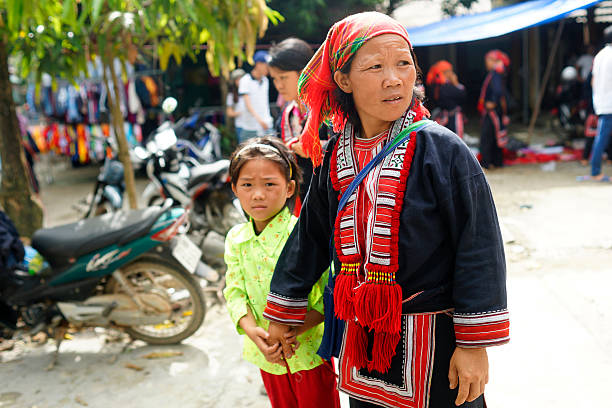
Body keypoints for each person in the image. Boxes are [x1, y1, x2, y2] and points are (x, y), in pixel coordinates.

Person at [262, 12, 509, 408]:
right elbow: (309, 235)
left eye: (404, 63)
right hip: (361, 341)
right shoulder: (335, 157)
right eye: (375, 66)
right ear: (343, 80)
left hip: (435, 341)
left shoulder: (442, 150)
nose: (393, 79)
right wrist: (283, 312)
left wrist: (474, 344)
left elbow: (478, 246)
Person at [223, 136, 340, 408]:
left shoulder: (304, 235)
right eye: (247, 185)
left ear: (290, 189)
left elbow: (329, 296)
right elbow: (234, 292)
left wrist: (296, 327)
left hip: (309, 353)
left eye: (269, 184)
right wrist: (254, 333)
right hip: (267, 355)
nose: (258, 194)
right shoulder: (236, 239)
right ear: (235, 188)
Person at [268, 38, 320, 212]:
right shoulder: (286, 115)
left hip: (325, 200)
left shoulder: (328, 114)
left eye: (283, 77)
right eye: (275, 79)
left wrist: (317, 148)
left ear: (305, 73)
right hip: (298, 201)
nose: (279, 85)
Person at [583, 26, 612, 182]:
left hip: (601, 102)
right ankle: (595, 171)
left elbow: (593, 80)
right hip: (609, 103)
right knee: (601, 138)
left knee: (601, 137)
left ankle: (595, 169)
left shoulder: (600, 55)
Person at [478, 49, 510, 169]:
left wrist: (493, 102)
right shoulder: (497, 72)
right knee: (495, 135)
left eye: (488, 60)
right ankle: (497, 162)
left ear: (495, 61)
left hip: (492, 111)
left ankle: (487, 162)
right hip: (496, 111)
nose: (486, 63)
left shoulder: (496, 73)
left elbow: (497, 91)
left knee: (487, 137)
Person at [237, 51, 273, 142]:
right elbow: (248, 104)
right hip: (250, 126)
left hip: (267, 124)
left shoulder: (265, 81)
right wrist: (260, 120)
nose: (268, 68)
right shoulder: (245, 80)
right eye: (266, 65)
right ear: (258, 64)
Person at [426, 60, 466, 138]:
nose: (452, 73)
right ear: (445, 72)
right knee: (455, 139)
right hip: (451, 118)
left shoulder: (435, 83)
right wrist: (456, 83)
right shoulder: (445, 86)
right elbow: (462, 95)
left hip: (441, 116)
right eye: (450, 70)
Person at [226, 69, 247, 142]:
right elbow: (229, 112)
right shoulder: (232, 95)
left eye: (241, 78)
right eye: (237, 79)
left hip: (253, 124)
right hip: (240, 125)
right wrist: (241, 112)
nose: (240, 81)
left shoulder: (249, 91)